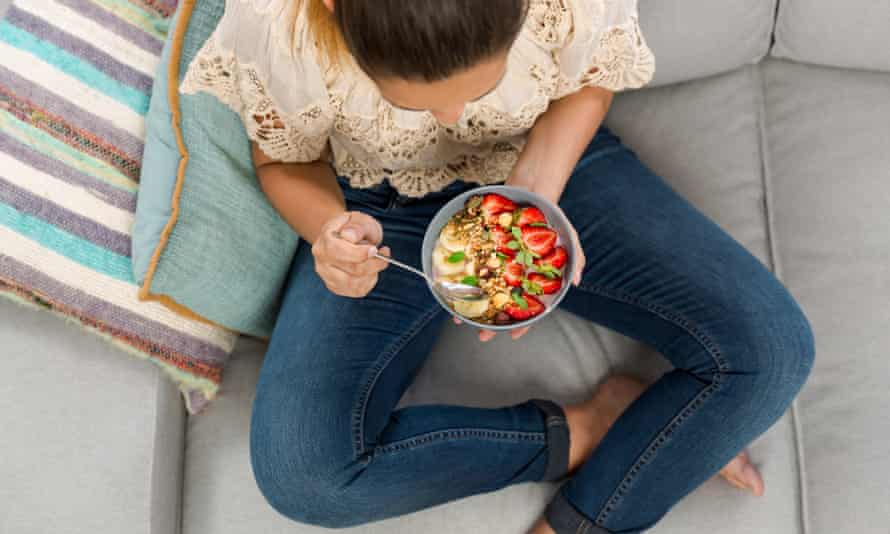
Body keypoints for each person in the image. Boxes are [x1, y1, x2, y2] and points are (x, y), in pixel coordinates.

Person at [181, 0, 815, 532]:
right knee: (306, 477)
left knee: (772, 349)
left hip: (547, 161)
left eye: (478, 86)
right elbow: (283, 161)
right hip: (381, 206)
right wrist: (328, 231)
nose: (453, 119)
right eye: (422, 102)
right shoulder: (276, 22)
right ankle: (596, 426)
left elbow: (591, 74)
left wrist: (535, 193)